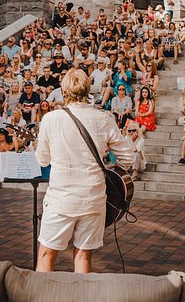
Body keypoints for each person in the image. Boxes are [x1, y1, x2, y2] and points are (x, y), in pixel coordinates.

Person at [35, 68, 133, 273]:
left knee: (46, 255)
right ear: (88, 89)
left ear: (63, 90)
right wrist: (112, 172)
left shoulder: (51, 119)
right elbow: (128, 157)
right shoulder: (104, 118)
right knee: (83, 257)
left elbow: (43, 161)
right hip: (94, 198)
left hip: (61, 199)